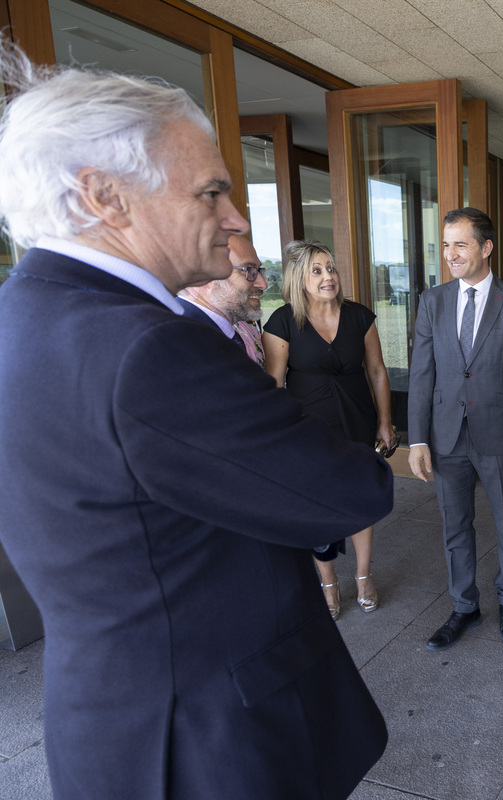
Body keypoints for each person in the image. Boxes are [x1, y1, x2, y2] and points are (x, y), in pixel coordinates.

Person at [0, 45, 392, 800]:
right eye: (210, 193)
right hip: (210, 739)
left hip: (113, 725)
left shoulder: (25, 315)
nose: (235, 218)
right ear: (104, 197)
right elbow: (349, 491)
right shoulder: (149, 344)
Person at [407, 207, 503, 650]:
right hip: (446, 436)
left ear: (486, 248)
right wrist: (419, 439)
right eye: (445, 245)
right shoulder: (432, 300)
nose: (450, 254)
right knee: (455, 526)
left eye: (460, 244)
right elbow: (421, 374)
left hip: (501, 435)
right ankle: (464, 606)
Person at [263, 240, 396, 617]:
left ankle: (364, 576)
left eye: (331, 268)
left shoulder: (359, 316)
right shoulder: (282, 322)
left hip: (358, 419)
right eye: (318, 271)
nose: (328, 277)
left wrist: (385, 421)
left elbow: (376, 371)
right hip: (308, 428)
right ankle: (327, 582)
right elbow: (273, 383)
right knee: (319, 504)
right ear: (300, 280)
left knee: (359, 497)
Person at [178, 233, 267, 365]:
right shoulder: (179, 339)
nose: (263, 284)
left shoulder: (221, 330)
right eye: (249, 270)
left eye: (258, 270)